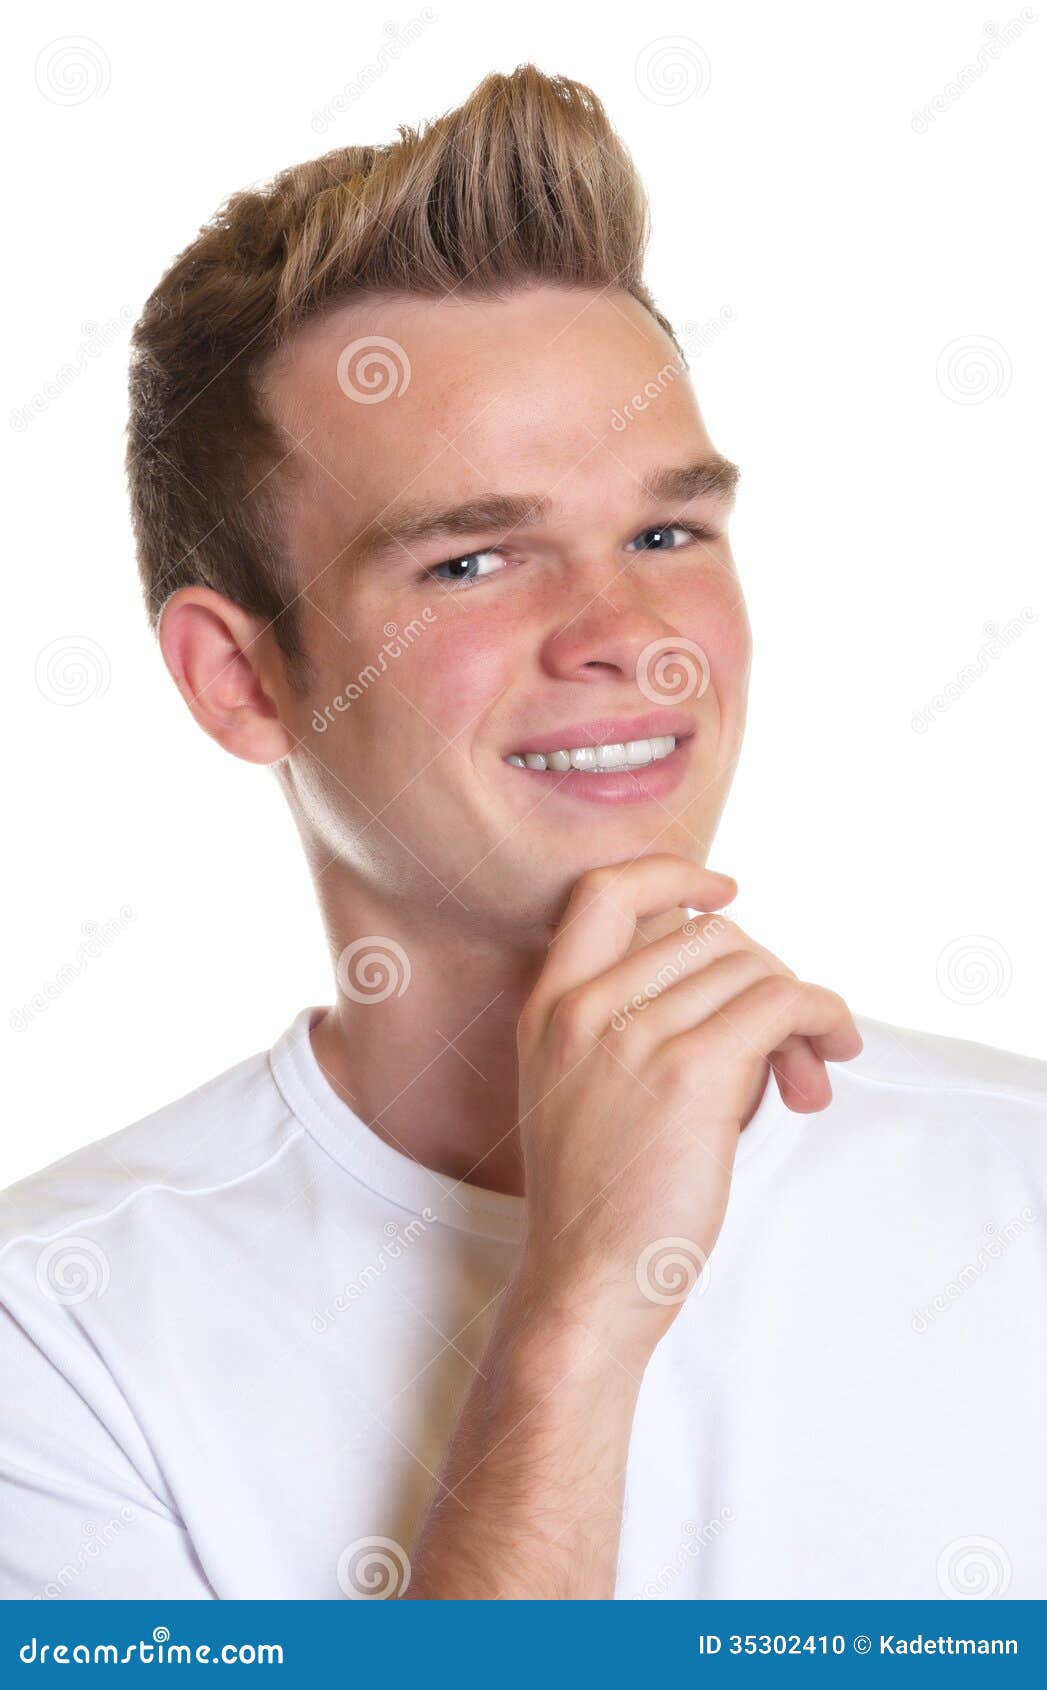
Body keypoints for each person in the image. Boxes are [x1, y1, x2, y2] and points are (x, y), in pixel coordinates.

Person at [2, 65, 1044, 1604]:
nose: (627, 633)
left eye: (667, 532)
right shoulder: (60, 1340)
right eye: (476, 558)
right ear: (242, 677)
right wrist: (581, 1316)